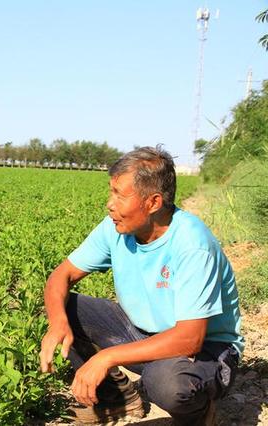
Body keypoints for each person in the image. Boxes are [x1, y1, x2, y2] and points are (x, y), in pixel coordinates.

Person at [39, 146, 243, 425]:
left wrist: (105, 358)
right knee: (65, 305)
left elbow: (189, 339)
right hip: (141, 332)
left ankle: (198, 414)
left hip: (206, 351)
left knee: (166, 382)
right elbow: (60, 277)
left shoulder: (192, 245)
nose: (109, 204)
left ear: (153, 202)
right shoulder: (115, 227)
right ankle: (118, 399)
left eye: (119, 195)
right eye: (111, 192)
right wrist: (58, 323)